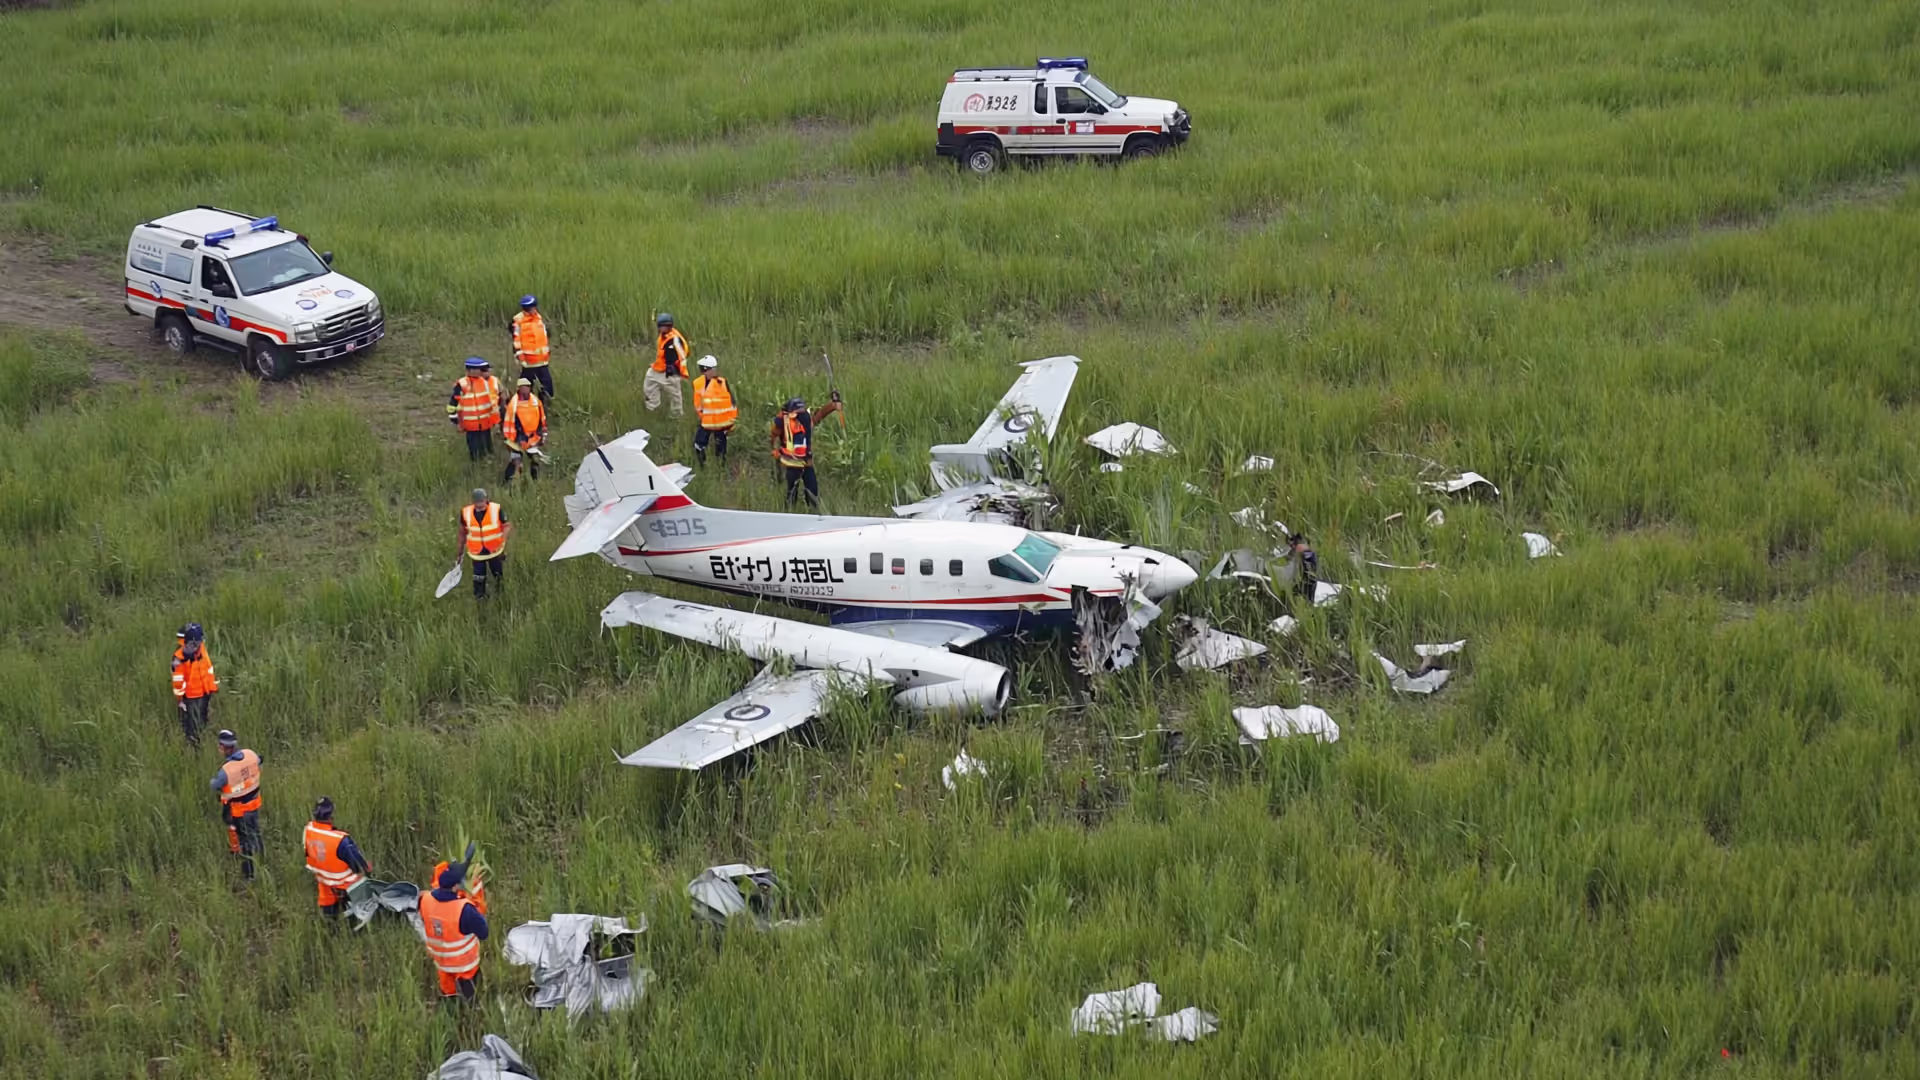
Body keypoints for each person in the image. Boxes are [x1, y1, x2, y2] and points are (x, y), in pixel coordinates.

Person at [420, 862, 489, 1002]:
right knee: (470, 991)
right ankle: (471, 1010)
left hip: (441, 960)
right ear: (456, 887)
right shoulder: (465, 910)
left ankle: (450, 1006)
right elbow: (484, 933)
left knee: (447, 990)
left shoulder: (425, 900)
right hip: (463, 964)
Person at [302, 797, 370, 918]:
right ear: (331, 816)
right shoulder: (341, 840)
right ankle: (357, 913)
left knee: (329, 915)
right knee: (364, 878)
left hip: (322, 880)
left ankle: (330, 918)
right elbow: (359, 866)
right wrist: (367, 868)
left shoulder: (308, 829)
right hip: (345, 885)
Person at [209, 729, 262, 882]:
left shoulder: (226, 771)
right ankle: (261, 858)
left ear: (224, 747)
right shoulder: (250, 754)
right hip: (254, 804)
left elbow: (215, 785)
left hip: (239, 811)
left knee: (245, 842)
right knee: (256, 832)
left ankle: (249, 875)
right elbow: (259, 761)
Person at [773, 393, 841, 510]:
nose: (801, 413)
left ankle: (812, 513)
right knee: (792, 493)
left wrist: (832, 405)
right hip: (792, 463)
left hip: (806, 462)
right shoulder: (784, 422)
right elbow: (774, 436)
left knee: (812, 491)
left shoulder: (805, 419)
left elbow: (818, 416)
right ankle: (789, 513)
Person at [456, 488, 512, 599]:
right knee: (478, 579)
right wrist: (459, 553)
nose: (480, 505)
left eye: (482, 502)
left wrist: (502, 541)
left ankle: (501, 596)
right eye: (477, 503)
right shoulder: (466, 513)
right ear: (473, 501)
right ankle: (480, 599)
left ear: (486, 499)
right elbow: (462, 533)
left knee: (498, 577)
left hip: (495, 551)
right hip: (477, 553)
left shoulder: (496, 509)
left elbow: (507, 526)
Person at [170, 622, 218, 746]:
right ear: (187, 642)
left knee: (203, 717)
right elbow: (178, 683)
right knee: (192, 724)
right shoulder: (179, 660)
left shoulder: (201, 650)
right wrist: (180, 701)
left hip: (206, 691)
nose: (199, 645)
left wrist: (211, 688)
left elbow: (207, 669)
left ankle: (203, 732)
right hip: (191, 698)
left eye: (200, 642)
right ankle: (194, 745)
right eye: (195, 643)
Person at [447, 358, 503, 461]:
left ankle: (488, 462)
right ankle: (477, 465)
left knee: (487, 446)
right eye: (479, 369)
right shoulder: (462, 384)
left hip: (485, 422)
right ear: (471, 370)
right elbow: (453, 404)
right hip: (470, 424)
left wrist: (495, 420)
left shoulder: (484, 382)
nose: (482, 371)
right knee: (475, 449)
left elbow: (490, 402)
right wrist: (455, 420)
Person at [689, 354, 736, 468]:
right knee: (698, 445)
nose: (712, 372)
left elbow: (732, 404)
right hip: (707, 422)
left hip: (721, 423)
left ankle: (721, 467)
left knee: (720, 448)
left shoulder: (723, 383)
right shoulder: (698, 383)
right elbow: (698, 403)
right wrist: (701, 416)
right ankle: (703, 466)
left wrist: (731, 423)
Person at [500, 378, 548, 484]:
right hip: (517, 439)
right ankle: (506, 482)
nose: (525, 389)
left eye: (527, 387)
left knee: (534, 460)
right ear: (519, 388)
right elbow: (509, 423)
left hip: (533, 438)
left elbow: (542, 418)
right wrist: (512, 440)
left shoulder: (536, 401)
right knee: (516, 461)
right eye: (523, 387)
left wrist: (543, 433)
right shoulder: (513, 404)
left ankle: (535, 480)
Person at [644, 312, 690, 421]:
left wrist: (673, 368)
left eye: (666, 326)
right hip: (658, 368)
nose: (663, 328)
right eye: (661, 326)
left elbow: (683, 355)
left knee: (675, 395)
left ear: (670, 326)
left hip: (671, 372)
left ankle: (677, 417)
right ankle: (652, 407)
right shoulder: (663, 336)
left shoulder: (674, 340)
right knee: (649, 383)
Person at [509, 295, 552, 401]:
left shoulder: (538, 318)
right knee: (526, 388)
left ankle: (545, 406)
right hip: (528, 362)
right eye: (528, 308)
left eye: (533, 307)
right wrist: (520, 358)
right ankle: (525, 408)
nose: (532, 310)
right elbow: (516, 342)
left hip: (542, 361)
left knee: (547, 387)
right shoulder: (518, 321)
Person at [1286, 532, 1319, 600]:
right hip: (1306, 582)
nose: (1293, 548)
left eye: (1293, 545)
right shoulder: (1307, 554)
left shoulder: (1307, 554)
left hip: (1307, 582)